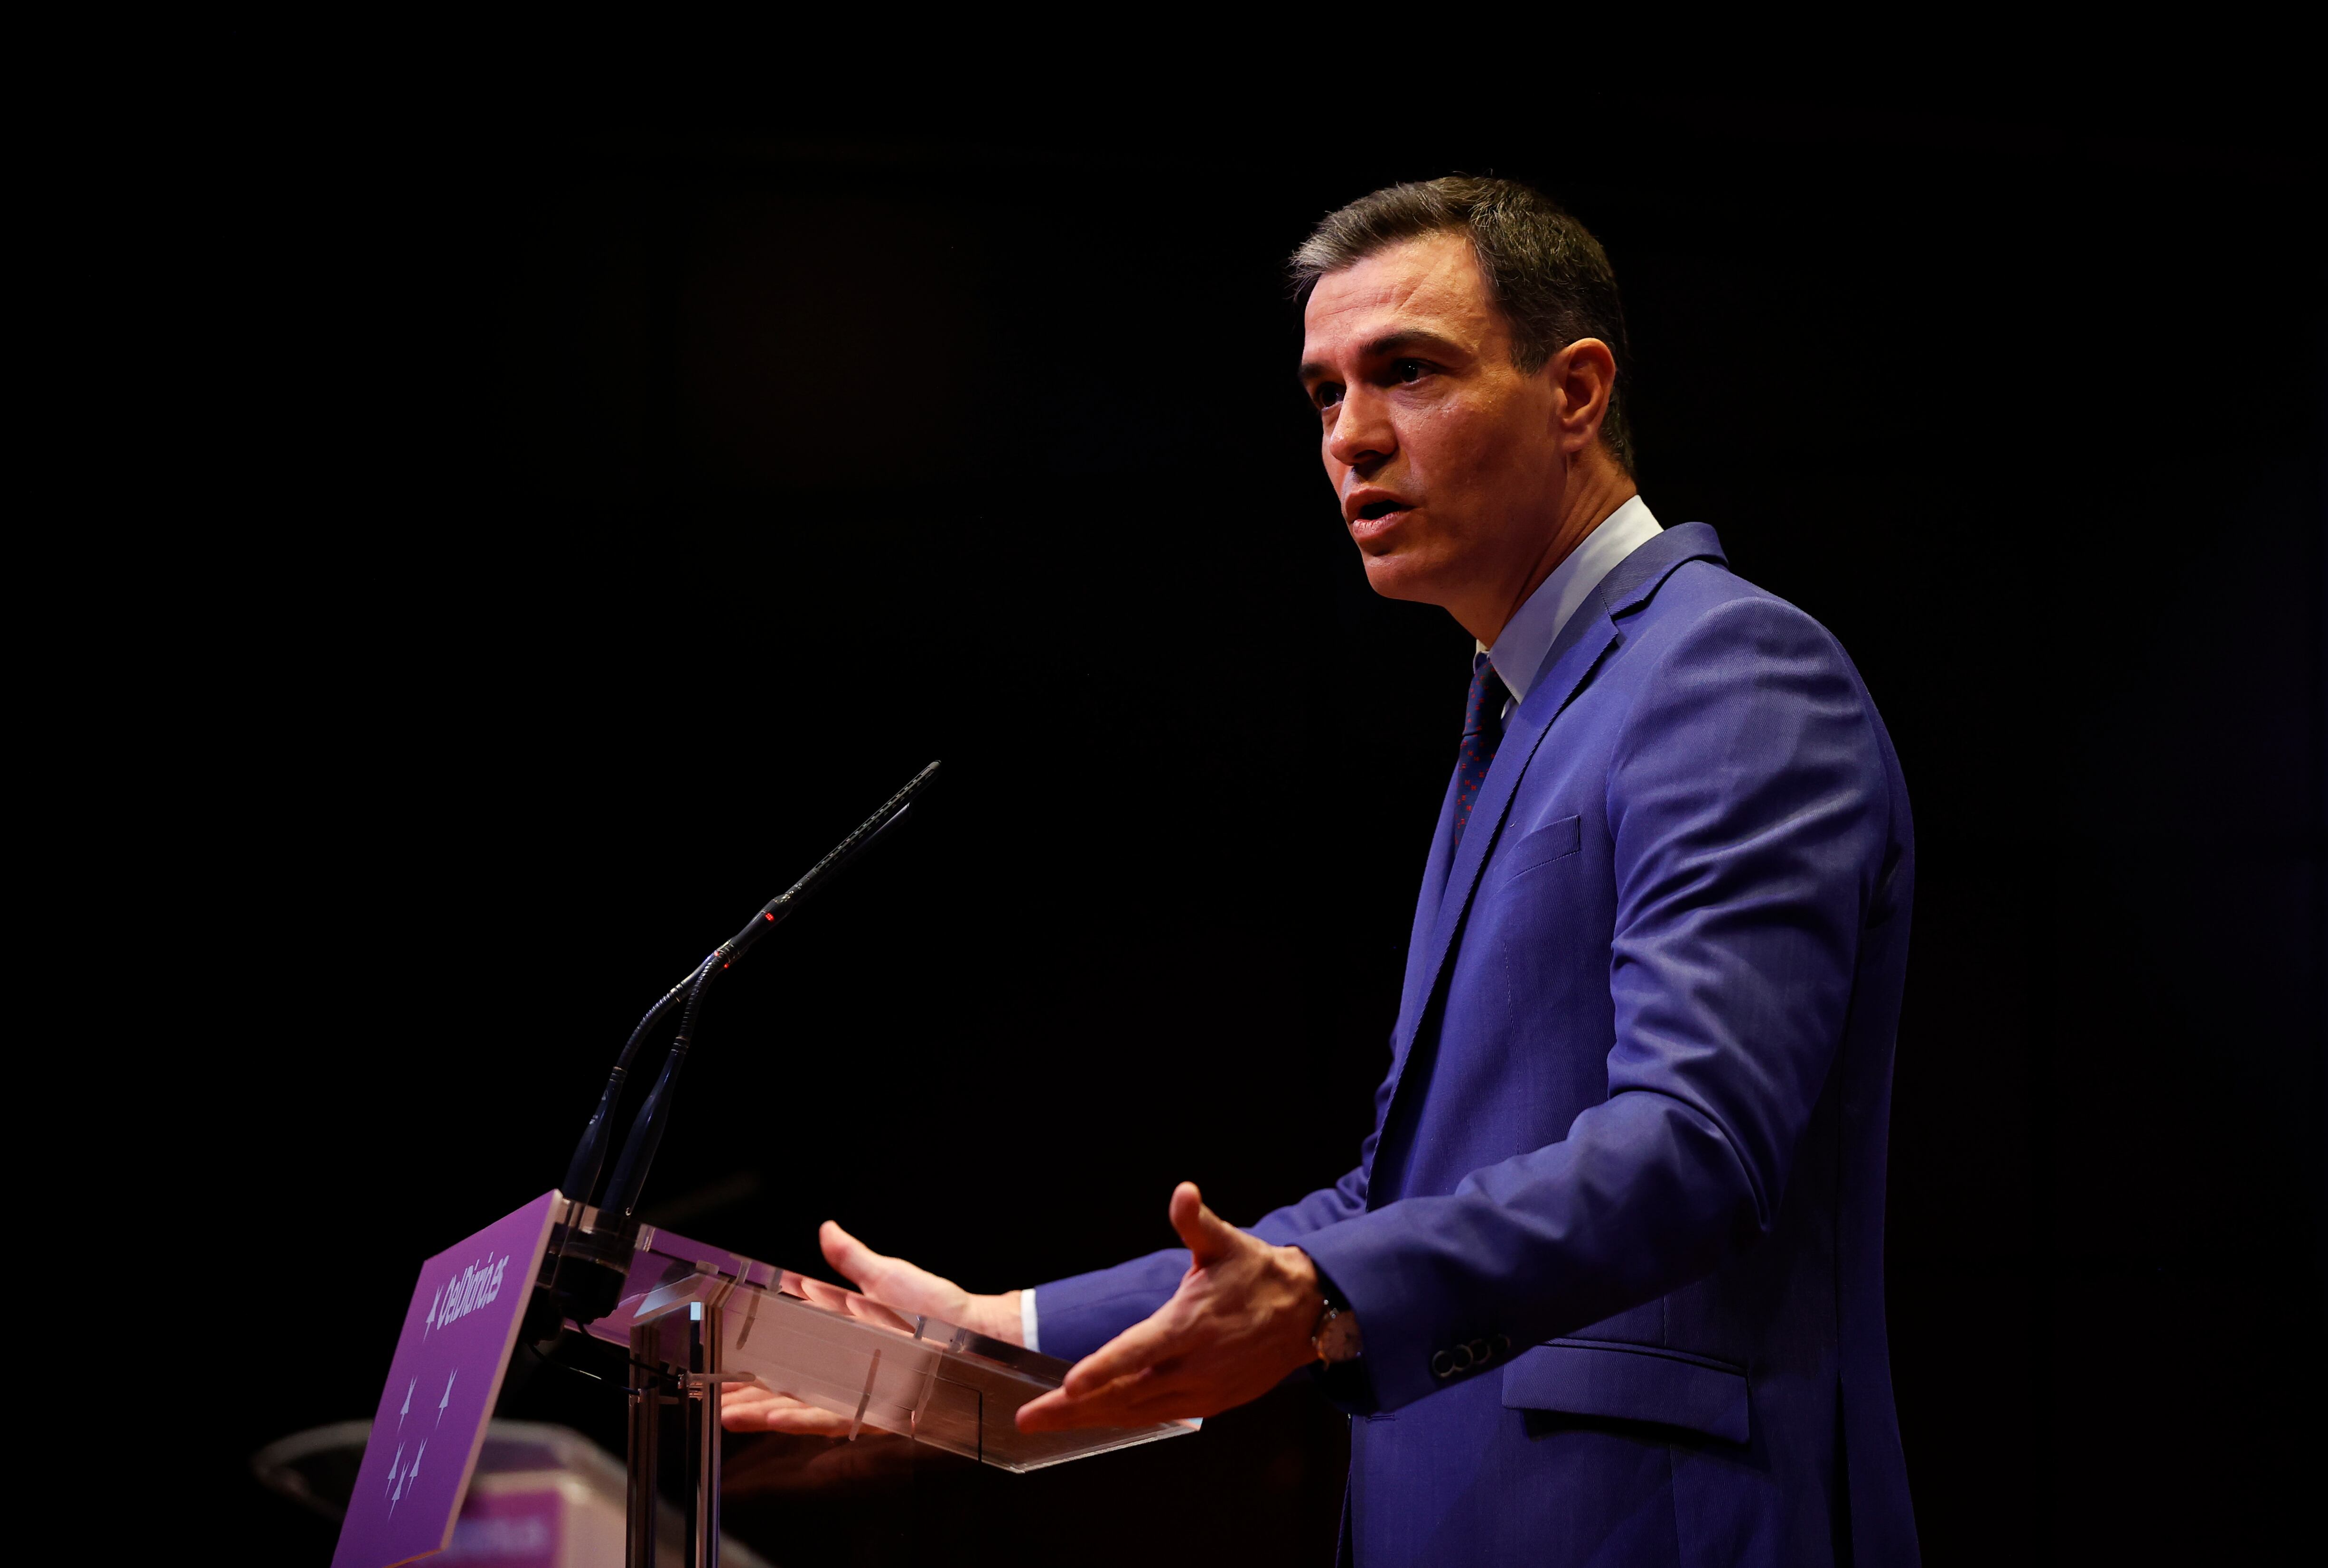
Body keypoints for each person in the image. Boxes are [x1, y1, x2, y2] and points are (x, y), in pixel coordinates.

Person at [728, 176, 1920, 1567]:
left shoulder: (1723, 669)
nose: (1352, 438)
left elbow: (1697, 1145)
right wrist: (1008, 1330)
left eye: (1406, 374)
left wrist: (1316, 1292)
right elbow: (1398, 1198)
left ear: (1577, 390)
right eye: (1321, 394)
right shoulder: (1523, 718)